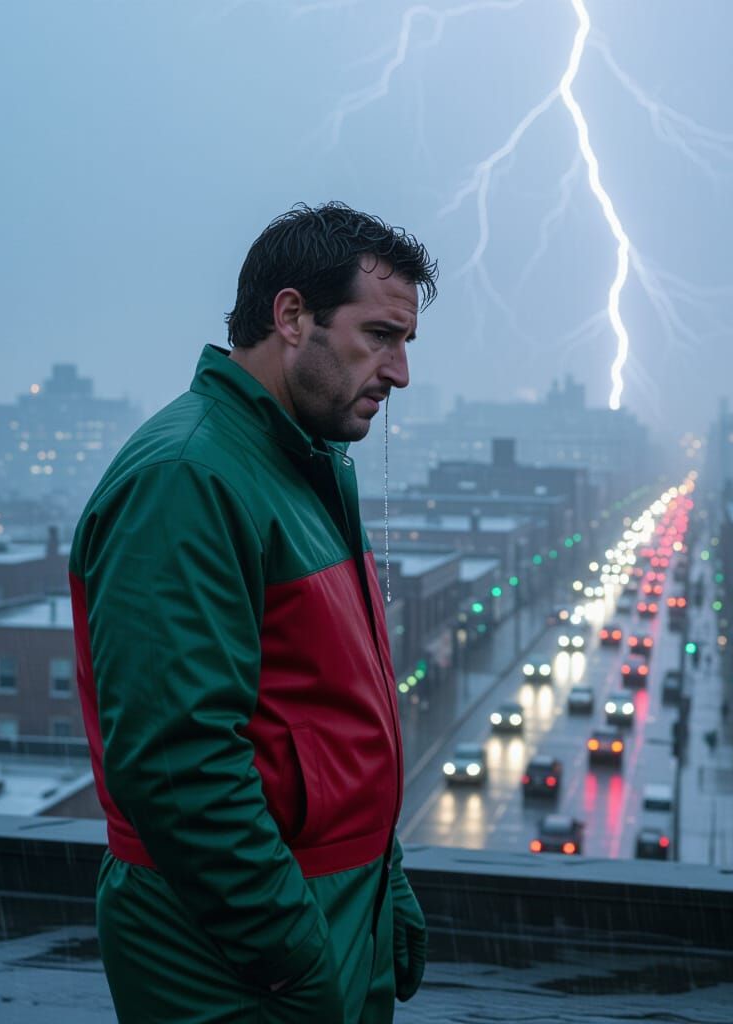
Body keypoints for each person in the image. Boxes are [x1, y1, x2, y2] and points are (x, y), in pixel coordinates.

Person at [68, 201, 439, 1023]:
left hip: (332, 909)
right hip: (231, 955)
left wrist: (384, 879)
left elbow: (323, 708)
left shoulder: (305, 466)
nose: (401, 372)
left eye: (406, 341)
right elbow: (180, 764)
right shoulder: (187, 478)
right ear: (292, 317)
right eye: (381, 336)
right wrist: (291, 951)